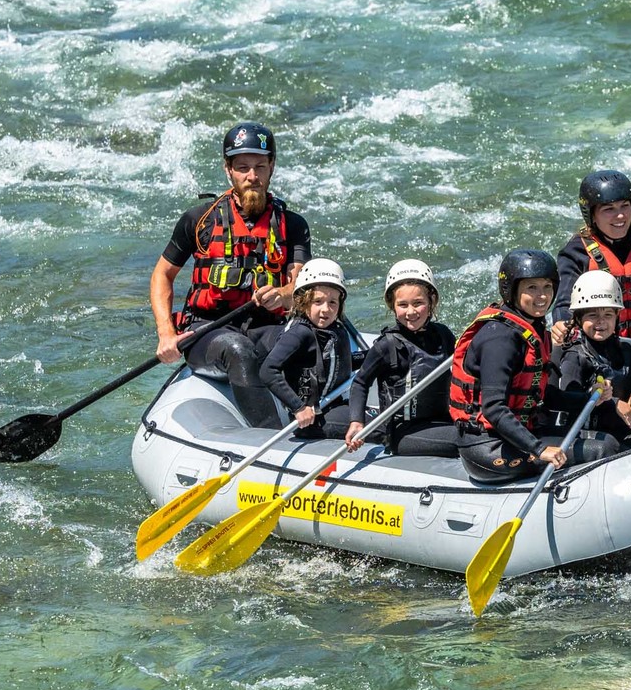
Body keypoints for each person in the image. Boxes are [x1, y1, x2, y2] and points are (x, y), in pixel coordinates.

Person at [149, 122, 311, 427]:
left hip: (265, 327)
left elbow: (299, 285)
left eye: (260, 166)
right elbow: (162, 275)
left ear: (271, 167)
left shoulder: (293, 224)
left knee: (308, 340)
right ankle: (271, 441)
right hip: (207, 331)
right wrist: (166, 334)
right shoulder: (199, 220)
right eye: (243, 167)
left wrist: (283, 294)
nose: (252, 176)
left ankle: (321, 423)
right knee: (239, 350)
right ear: (228, 170)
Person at [449, 249, 590, 483]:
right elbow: (493, 408)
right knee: (600, 450)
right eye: (532, 288)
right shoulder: (500, 338)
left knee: (605, 441)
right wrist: (539, 449)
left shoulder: (532, 328)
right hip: (487, 447)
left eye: (547, 287)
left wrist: (589, 399)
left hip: (516, 436)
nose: (542, 296)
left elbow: (541, 395)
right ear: (512, 291)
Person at [344, 259, 459, 457]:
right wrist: (357, 421)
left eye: (418, 303)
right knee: (466, 439)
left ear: (431, 301)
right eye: (403, 305)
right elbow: (361, 382)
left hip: (441, 421)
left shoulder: (443, 335)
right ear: (392, 306)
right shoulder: (386, 346)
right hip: (404, 433)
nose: (411, 312)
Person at [551, 169, 631, 346]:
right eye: (608, 209)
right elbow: (564, 302)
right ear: (592, 215)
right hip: (603, 343)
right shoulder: (576, 252)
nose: (620, 215)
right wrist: (561, 323)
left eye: (624, 206)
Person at [554, 270, 631, 456]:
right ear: (579, 319)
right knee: (612, 445)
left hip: (622, 433)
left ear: (617, 317)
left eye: (608, 315)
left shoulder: (624, 350)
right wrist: (610, 402)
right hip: (590, 437)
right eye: (592, 315)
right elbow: (566, 399)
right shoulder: (574, 355)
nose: (601, 322)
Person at [256, 258, 355, 437]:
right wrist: (298, 407)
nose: (326, 309)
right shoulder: (299, 333)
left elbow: (336, 364)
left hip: (334, 405)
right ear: (303, 301)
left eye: (333, 302)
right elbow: (268, 370)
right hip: (313, 417)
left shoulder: (332, 330)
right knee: (377, 424)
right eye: (318, 302)